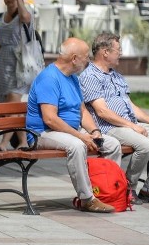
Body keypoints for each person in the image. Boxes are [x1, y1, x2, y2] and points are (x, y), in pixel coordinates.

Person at [80, 32, 149, 204]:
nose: (121, 53)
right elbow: (102, 112)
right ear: (105, 52)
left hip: (128, 125)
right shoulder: (90, 76)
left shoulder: (116, 76)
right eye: (118, 49)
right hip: (108, 128)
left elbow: (130, 104)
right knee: (145, 145)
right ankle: (128, 187)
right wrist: (132, 126)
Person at [26, 37, 123, 213]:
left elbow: (83, 111)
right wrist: (80, 136)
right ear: (74, 58)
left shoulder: (72, 78)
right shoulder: (49, 78)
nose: (89, 60)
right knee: (77, 146)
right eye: (86, 56)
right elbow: (50, 119)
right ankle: (87, 198)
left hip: (68, 131)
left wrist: (94, 131)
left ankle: (105, 191)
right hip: (42, 133)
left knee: (112, 144)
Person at [0, 0, 34, 149]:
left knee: (12, 104)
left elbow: (26, 18)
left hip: (19, 65)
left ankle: (3, 142)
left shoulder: (23, 14)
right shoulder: (0, 16)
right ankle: (22, 141)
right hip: (3, 63)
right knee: (12, 106)